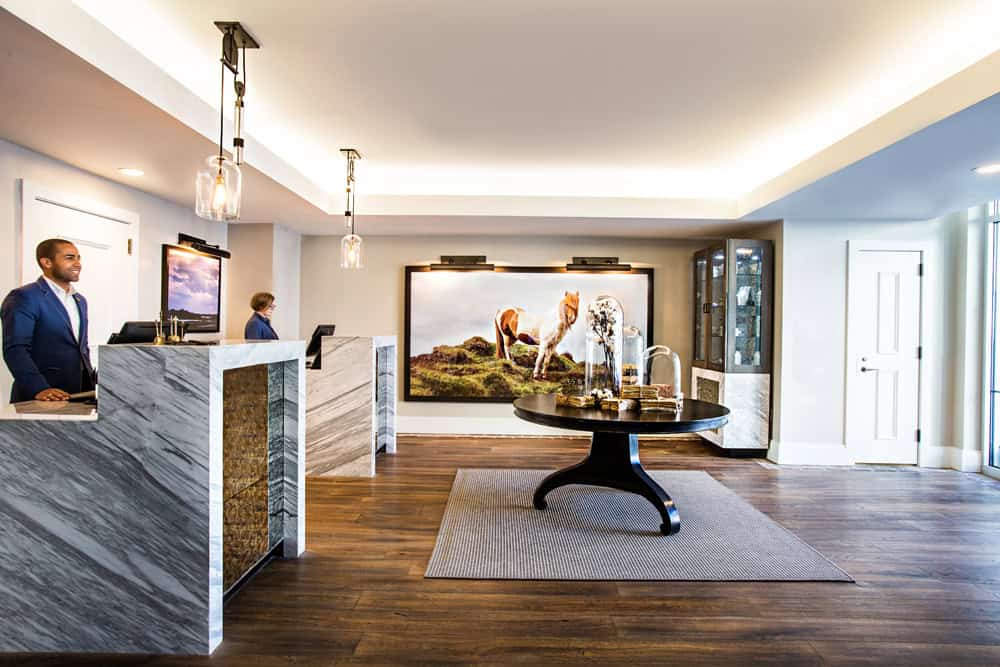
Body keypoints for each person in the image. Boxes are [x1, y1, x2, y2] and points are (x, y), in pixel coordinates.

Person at [1, 238, 95, 403]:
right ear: (46, 262)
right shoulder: (24, 296)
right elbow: (16, 349)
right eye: (69, 258)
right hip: (42, 397)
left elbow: (81, 348)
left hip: (80, 395)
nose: (77, 263)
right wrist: (39, 388)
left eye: (78, 258)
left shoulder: (80, 300)